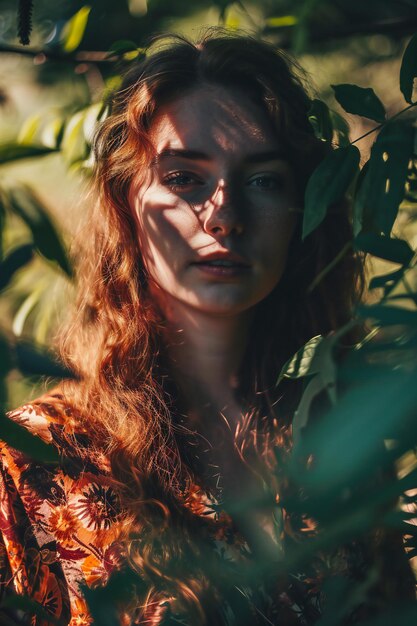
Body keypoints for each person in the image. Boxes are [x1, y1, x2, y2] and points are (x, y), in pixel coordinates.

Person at [0, 29, 414, 626]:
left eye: (264, 180)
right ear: (126, 205)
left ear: (306, 208)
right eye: (183, 178)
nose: (223, 215)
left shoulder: (340, 432)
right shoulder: (34, 462)